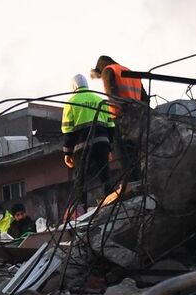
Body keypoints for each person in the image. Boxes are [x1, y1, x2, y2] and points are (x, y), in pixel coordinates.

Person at [61, 73, 115, 204]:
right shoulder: (99, 99)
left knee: (81, 180)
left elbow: (68, 130)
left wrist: (67, 153)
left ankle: (81, 207)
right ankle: (112, 201)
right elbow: (111, 126)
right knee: (105, 175)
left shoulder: (71, 102)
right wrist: (109, 148)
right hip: (102, 143)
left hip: (82, 147)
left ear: (73, 86)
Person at [93, 55, 145, 180]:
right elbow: (145, 97)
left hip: (121, 118)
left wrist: (121, 112)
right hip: (137, 118)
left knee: (124, 154)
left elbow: (112, 95)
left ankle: (131, 183)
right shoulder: (130, 72)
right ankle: (138, 181)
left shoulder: (108, 71)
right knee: (135, 153)